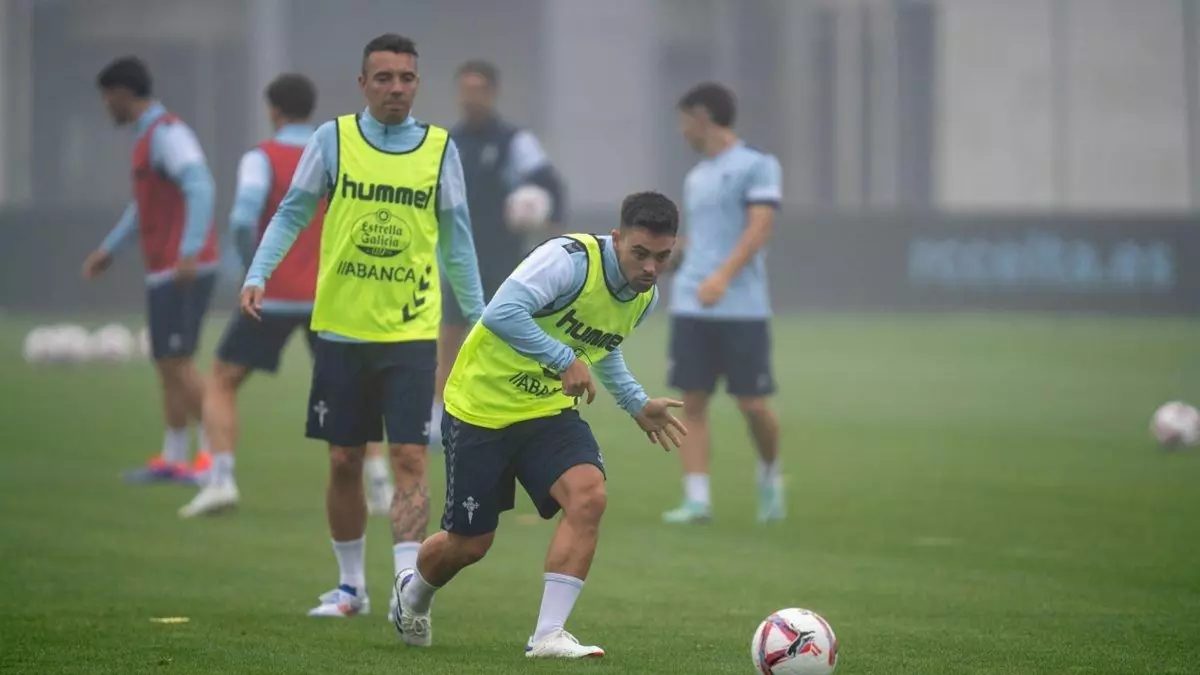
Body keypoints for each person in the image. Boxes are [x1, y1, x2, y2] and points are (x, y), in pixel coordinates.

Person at [241, 34, 484, 618]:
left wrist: (479, 317)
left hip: (410, 333)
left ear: (417, 83)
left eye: (406, 78)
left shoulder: (439, 149)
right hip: (341, 332)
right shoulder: (333, 140)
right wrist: (258, 273)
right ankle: (351, 588)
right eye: (384, 78)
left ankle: (406, 590)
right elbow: (291, 212)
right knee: (344, 460)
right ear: (363, 84)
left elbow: (457, 240)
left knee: (410, 459)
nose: (396, 87)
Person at [391, 191, 687, 659]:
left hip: (546, 412)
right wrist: (563, 358)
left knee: (589, 496)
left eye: (663, 257)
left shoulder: (643, 295)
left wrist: (635, 402)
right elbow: (500, 313)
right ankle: (412, 594)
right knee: (469, 545)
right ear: (617, 239)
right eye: (641, 253)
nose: (651, 268)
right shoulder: (568, 262)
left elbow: (603, 344)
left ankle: (548, 635)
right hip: (480, 406)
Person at [178, 73, 323, 518]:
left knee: (222, 381)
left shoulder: (262, 158)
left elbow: (243, 218)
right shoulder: (334, 154)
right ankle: (377, 484)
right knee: (351, 389)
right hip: (326, 295)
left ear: (273, 110)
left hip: (271, 295)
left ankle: (220, 480)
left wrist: (252, 268)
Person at [82, 56, 218, 484]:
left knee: (178, 362)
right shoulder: (146, 137)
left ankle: (215, 461)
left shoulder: (168, 134)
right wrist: (110, 250)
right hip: (164, 269)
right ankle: (174, 458)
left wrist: (189, 250)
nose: (106, 105)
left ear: (123, 93)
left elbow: (201, 186)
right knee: (166, 363)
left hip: (184, 268)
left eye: (107, 96)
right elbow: (143, 207)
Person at [662, 82, 785, 525]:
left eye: (684, 121)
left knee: (752, 405)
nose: (682, 131)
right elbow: (702, 240)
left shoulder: (757, 164)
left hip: (742, 306)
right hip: (690, 304)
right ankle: (697, 500)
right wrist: (662, 259)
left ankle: (769, 476)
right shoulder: (696, 176)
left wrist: (722, 277)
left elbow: (760, 228)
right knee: (691, 403)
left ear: (702, 116)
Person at [431, 58, 566, 447]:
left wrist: (548, 225)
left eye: (478, 90)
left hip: (506, 258)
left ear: (493, 93)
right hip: (461, 257)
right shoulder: (449, 142)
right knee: (450, 335)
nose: (470, 98)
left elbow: (551, 185)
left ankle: (512, 413)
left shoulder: (514, 141)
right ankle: (439, 415)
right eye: (465, 90)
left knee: (508, 335)